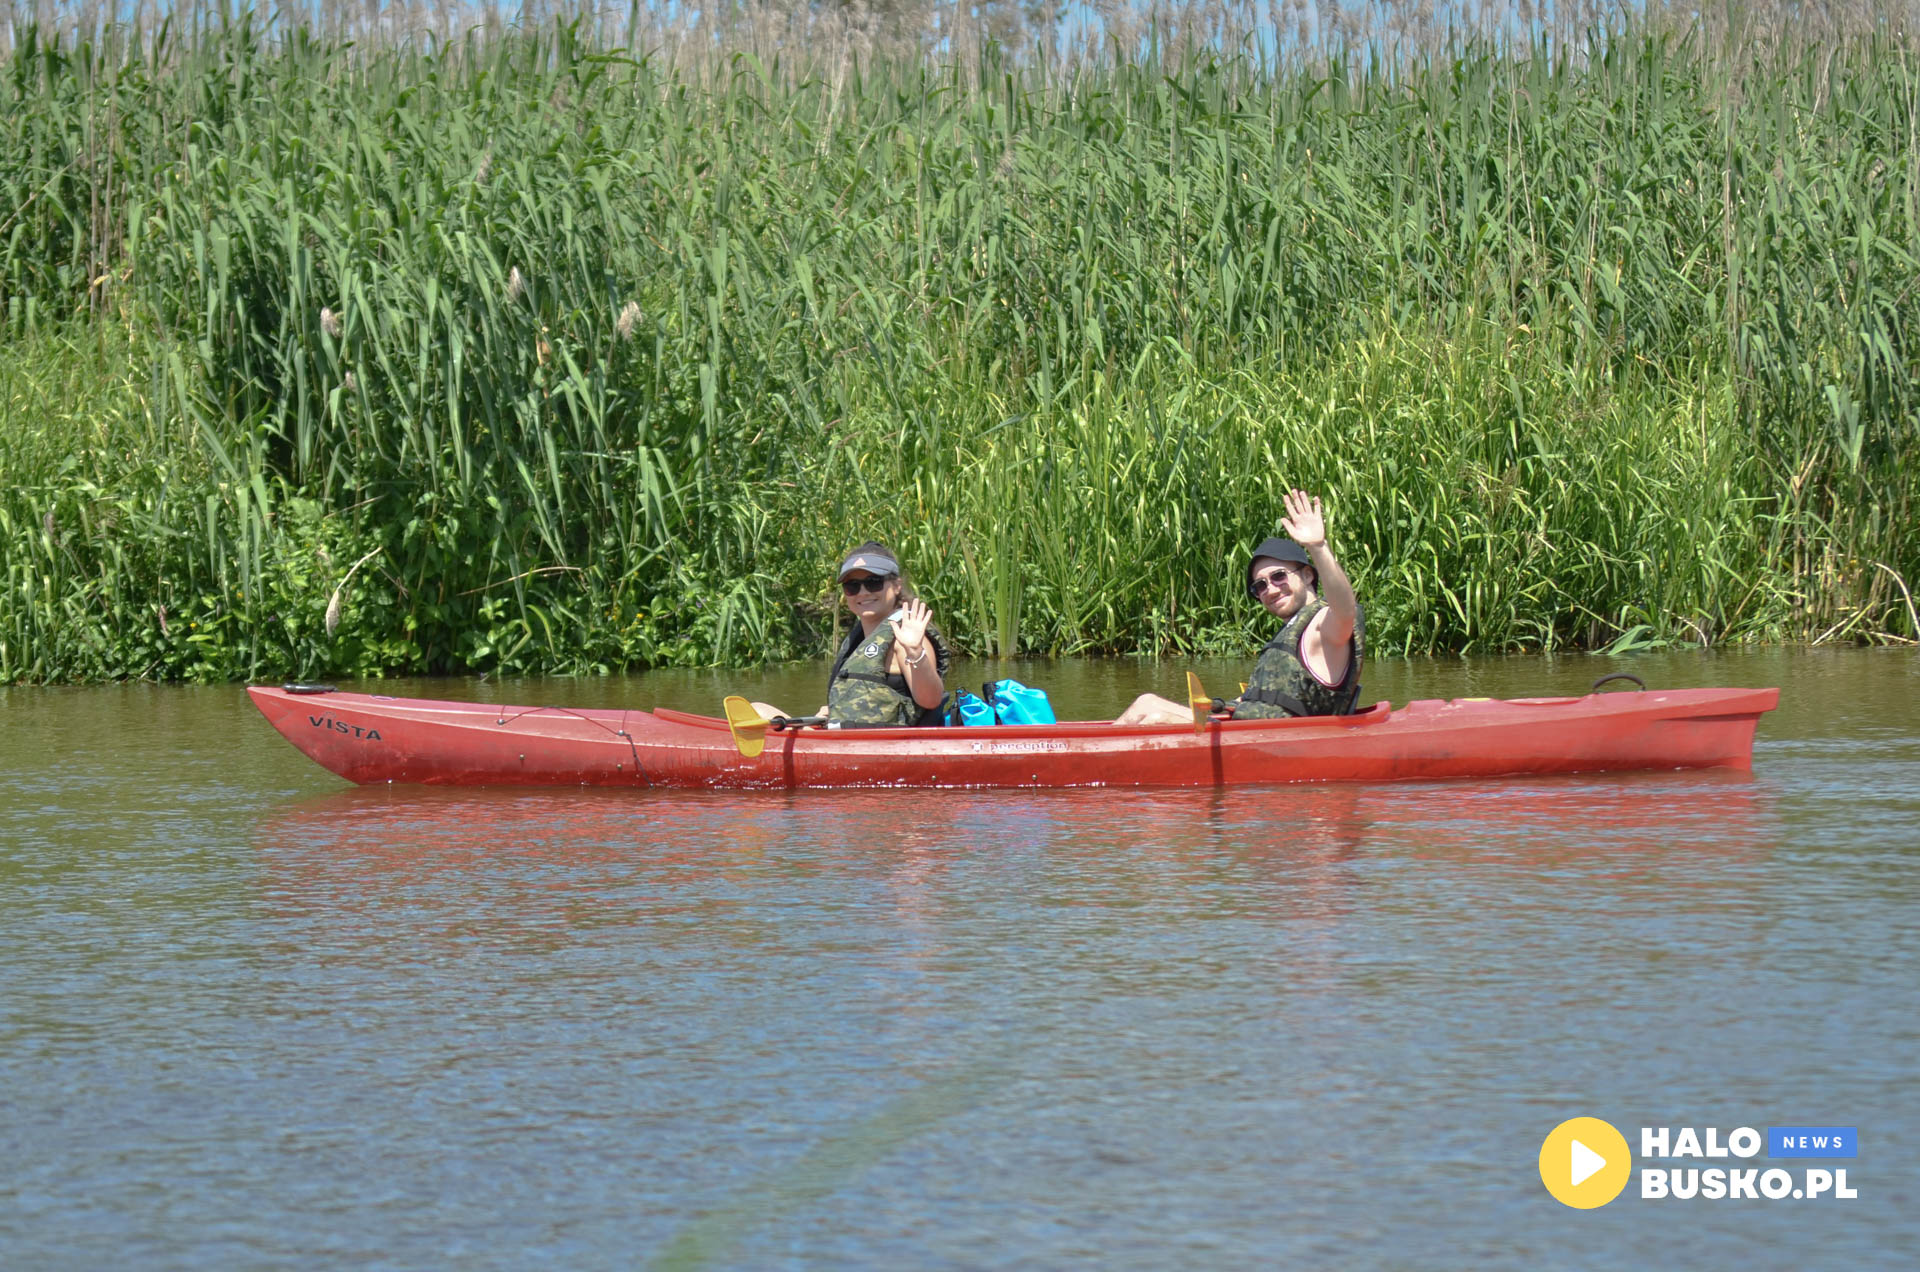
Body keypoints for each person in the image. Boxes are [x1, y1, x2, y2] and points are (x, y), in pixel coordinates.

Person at [1115, 488, 1362, 724]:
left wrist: (1318, 547)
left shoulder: (1323, 625)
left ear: (1308, 575)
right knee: (1146, 703)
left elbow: (1345, 609)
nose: (1271, 589)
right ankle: (1083, 761)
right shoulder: (1291, 633)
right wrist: (1227, 704)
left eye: (1279, 576)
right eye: (1260, 586)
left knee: (1159, 721)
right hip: (1252, 733)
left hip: (1280, 743)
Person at [750, 542, 951, 727]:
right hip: (850, 737)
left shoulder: (906, 637)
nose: (863, 592)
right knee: (756, 710)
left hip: (888, 745)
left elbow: (931, 699)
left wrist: (915, 652)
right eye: (852, 586)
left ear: (897, 585)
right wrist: (836, 711)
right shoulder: (860, 640)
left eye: (873, 582)